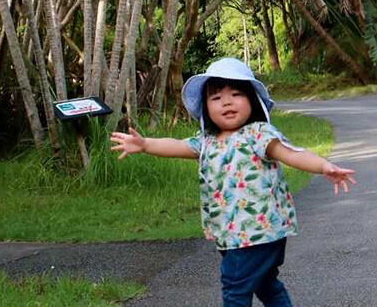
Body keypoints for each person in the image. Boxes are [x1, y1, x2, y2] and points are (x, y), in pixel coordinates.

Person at [110, 58, 356, 307]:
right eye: (216, 98)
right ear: (206, 106)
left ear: (252, 100)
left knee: (235, 288)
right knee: (265, 284)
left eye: (236, 94)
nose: (226, 102)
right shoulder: (207, 141)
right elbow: (176, 145)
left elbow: (291, 153)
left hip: (258, 231)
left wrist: (323, 165)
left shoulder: (258, 134)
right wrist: (144, 145)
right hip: (230, 233)